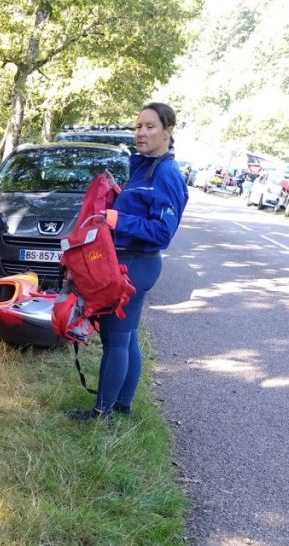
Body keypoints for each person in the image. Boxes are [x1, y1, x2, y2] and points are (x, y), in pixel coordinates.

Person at [68, 102, 189, 421]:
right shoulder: (144, 166)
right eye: (138, 126)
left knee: (115, 338)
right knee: (127, 334)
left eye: (150, 126)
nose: (141, 132)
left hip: (138, 263)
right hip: (130, 260)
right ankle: (121, 403)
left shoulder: (167, 173)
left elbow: (163, 232)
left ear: (168, 131)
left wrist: (117, 220)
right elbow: (142, 207)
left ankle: (101, 413)